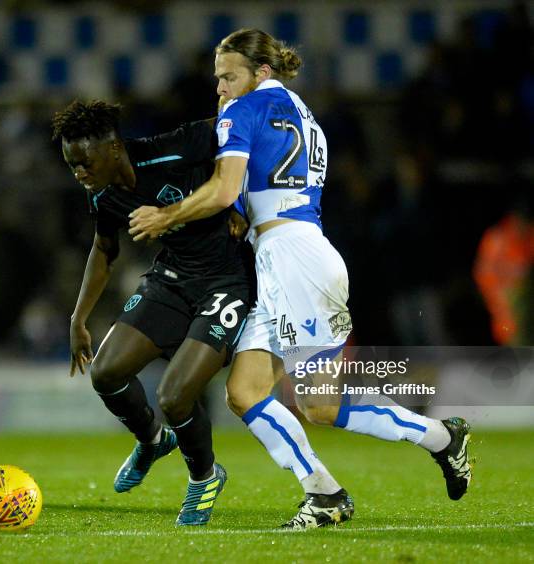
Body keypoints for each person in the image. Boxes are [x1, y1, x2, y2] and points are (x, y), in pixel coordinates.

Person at [129, 29, 473, 529]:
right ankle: (324, 492)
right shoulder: (304, 116)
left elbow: (225, 190)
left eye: (229, 77)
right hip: (285, 253)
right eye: (218, 79)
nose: (221, 88)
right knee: (245, 391)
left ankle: (441, 437)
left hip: (295, 258)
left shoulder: (242, 112)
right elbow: (262, 193)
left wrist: (166, 216)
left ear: (260, 73)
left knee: (319, 404)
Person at [51, 100, 254, 526]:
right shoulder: (104, 194)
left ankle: (204, 476)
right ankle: (151, 440)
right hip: (172, 277)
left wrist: (240, 203)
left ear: (112, 148)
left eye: (85, 163)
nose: (80, 174)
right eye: (72, 166)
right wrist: (78, 318)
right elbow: (105, 249)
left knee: (174, 395)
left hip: (227, 279)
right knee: (105, 372)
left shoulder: (175, 147)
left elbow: (242, 132)